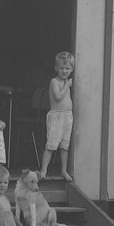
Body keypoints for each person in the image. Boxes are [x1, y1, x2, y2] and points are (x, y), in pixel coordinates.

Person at [39, 50, 74, 180]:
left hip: (67, 116)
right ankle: (44, 170)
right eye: (61, 68)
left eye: (67, 68)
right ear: (56, 68)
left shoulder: (66, 82)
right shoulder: (55, 82)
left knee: (65, 145)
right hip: (57, 116)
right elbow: (58, 97)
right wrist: (67, 86)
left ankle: (63, 171)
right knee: (51, 144)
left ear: (72, 69)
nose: (64, 71)